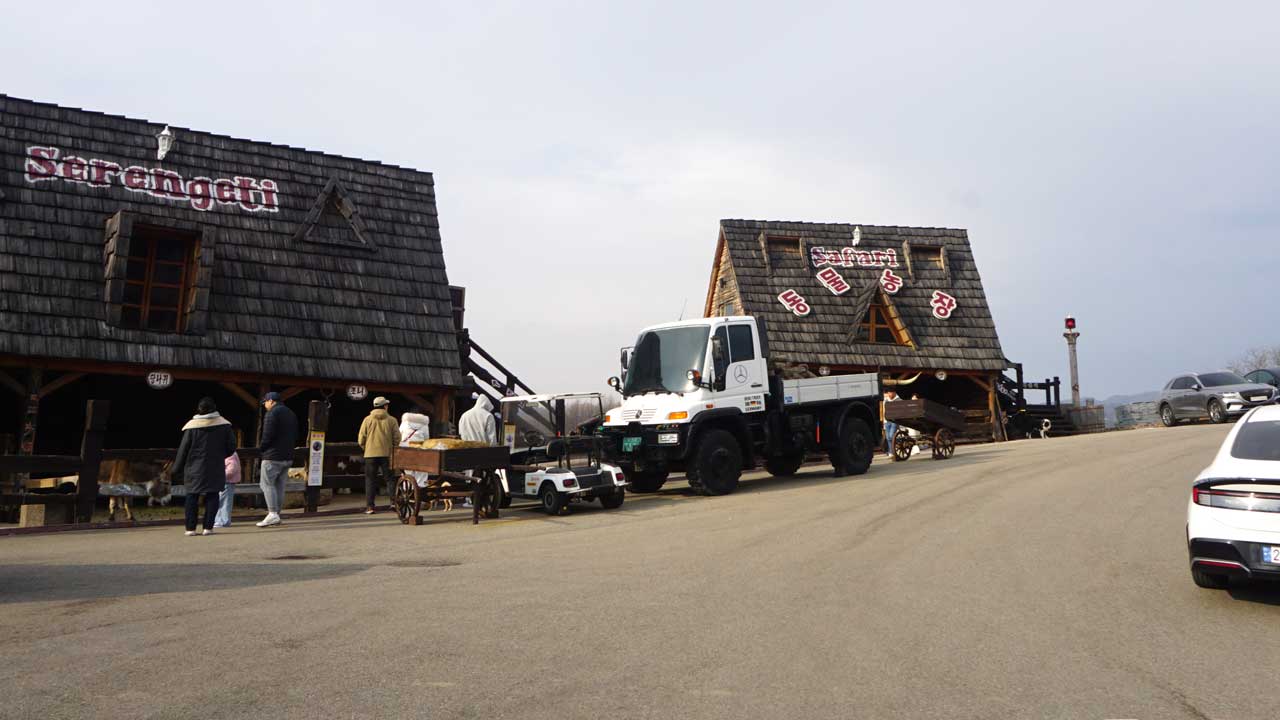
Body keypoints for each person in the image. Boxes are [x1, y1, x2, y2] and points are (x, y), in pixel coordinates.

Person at [172, 397, 237, 536]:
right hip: (215, 466)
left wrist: (176, 468)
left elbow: (183, 450)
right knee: (212, 495)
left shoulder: (192, 426)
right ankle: (208, 527)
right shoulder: (224, 425)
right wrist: (220, 455)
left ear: (199, 409)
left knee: (192, 496)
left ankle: (190, 529)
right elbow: (231, 447)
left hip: (194, 467)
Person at [257, 391, 299, 528]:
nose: (265, 405)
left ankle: (272, 513)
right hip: (287, 455)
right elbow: (295, 434)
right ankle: (277, 514)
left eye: (265, 402)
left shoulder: (272, 413)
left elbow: (267, 435)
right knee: (280, 486)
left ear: (271, 401)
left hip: (272, 456)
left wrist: (262, 448)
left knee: (267, 484)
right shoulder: (291, 413)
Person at [358, 396, 401, 514]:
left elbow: (361, 439)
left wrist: (366, 448)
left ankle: (370, 507)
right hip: (387, 454)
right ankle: (393, 503)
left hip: (370, 455)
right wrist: (392, 448)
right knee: (390, 479)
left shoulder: (367, 420)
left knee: (370, 480)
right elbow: (397, 438)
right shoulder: (392, 420)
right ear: (385, 406)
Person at [398, 410, 432, 488]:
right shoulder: (424, 425)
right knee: (421, 471)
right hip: (420, 450)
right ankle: (421, 489)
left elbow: (399, 435)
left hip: (406, 449)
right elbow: (426, 439)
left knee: (408, 471)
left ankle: (408, 489)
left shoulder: (405, 423)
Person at [213, 439, 242, 528]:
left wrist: (219, 475)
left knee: (224, 501)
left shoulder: (229, 454)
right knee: (222, 501)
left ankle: (223, 521)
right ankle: (220, 519)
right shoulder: (227, 453)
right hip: (225, 481)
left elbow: (232, 469)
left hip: (227, 481)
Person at [882, 389, 901, 453]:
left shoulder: (898, 400)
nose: (889, 394)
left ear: (894, 393)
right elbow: (884, 410)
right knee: (888, 438)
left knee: (891, 436)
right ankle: (891, 451)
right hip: (887, 421)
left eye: (890, 393)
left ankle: (898, 444)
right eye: (888, 393)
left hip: (894, 421)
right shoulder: (886, 400)